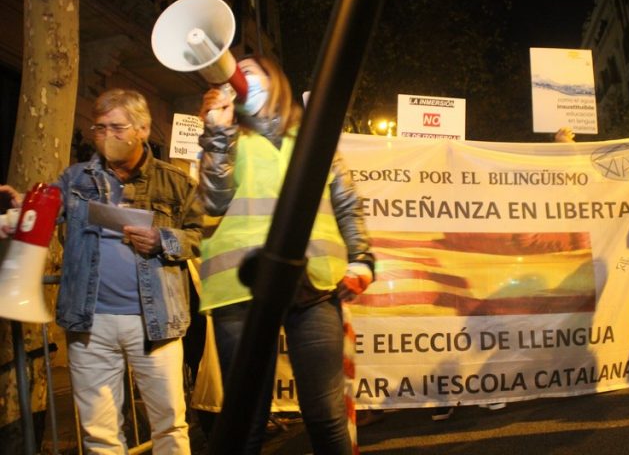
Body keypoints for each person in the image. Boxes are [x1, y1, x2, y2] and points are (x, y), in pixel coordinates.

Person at [2, 89, 204, 453]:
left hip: (154, 325)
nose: (106, 135)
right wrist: (22, 212)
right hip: (89, 323)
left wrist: (163, 240)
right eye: (99, 128)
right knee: (99, 434)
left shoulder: (174, 182)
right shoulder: (74, 178)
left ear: (143, 129)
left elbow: (200, 236)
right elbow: (44, 213)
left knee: (170, 428)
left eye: (117, 127)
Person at [197, 55, 375, 454]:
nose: (241, 79)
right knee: (245, 425)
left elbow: (346, 204)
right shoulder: (225, 138)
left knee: (326, 419)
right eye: (236, 74)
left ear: (275, 81)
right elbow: (212, 201)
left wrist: (362, 258)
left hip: (313, 286)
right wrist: (217, 134)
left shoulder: (316, 140)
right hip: (239, 291)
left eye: (250, 71)